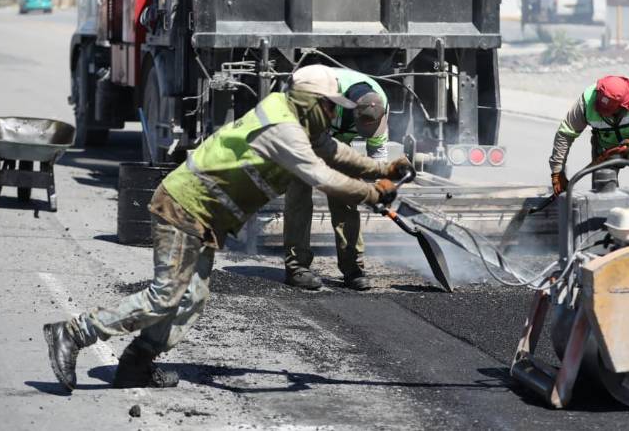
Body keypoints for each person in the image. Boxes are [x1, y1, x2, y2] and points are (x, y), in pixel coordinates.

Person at [43, 65, 413, 391]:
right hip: (184, 205)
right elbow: (322, 175)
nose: (334, 113)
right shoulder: (282, 128)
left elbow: (332, 150)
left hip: (204, 216)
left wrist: (382, 170)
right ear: (310, 101)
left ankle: (135, 364)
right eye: (331, 105)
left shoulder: (299, 120)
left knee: (191, 299)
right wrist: (371, 192)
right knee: (166, 296)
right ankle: (73, 333)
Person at [283, 67, 390, 291]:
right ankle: (297, 267)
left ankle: (353, 269)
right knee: (298, 195)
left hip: (335, 139)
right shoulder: (318, 94)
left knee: (348, 196)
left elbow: (378, 155)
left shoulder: (379, 104)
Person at [549, 75, 629, 203]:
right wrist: (557, 172)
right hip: (606, 150)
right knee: (603, 198)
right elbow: (565, 134)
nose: (603, 114)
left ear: (624, 106)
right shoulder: (586, 102)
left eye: (609, 111)